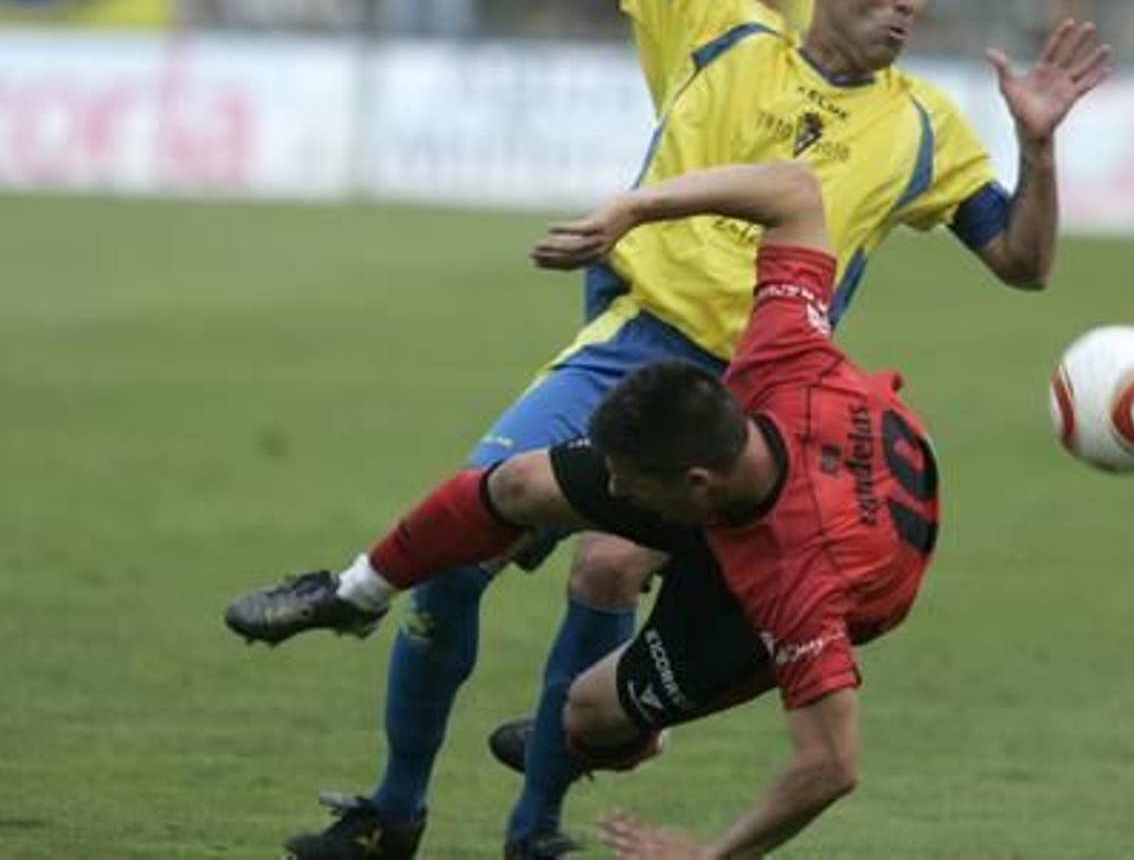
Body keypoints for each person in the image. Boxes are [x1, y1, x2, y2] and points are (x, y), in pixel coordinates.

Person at [254, 0, 1111, 859]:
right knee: (460, 555)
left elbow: (1023, 262)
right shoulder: (720, 28)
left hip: (759, 401)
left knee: (607, 571)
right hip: (633, 349)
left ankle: (538, 829)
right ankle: (395, 811)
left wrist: (1037, 148)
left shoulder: (926, 125)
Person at [229, 159, 947, 857]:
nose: (615, 492)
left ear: (693, 485)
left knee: (589, 713)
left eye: (630, 483)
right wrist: (632, 208)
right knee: (520, 488)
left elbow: (830, 764)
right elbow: (793, 190)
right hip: (779, 481)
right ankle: (356, 595)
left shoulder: (798, 589)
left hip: (807, 564)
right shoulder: (779, 351)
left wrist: (709, 856)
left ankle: (635, 733)